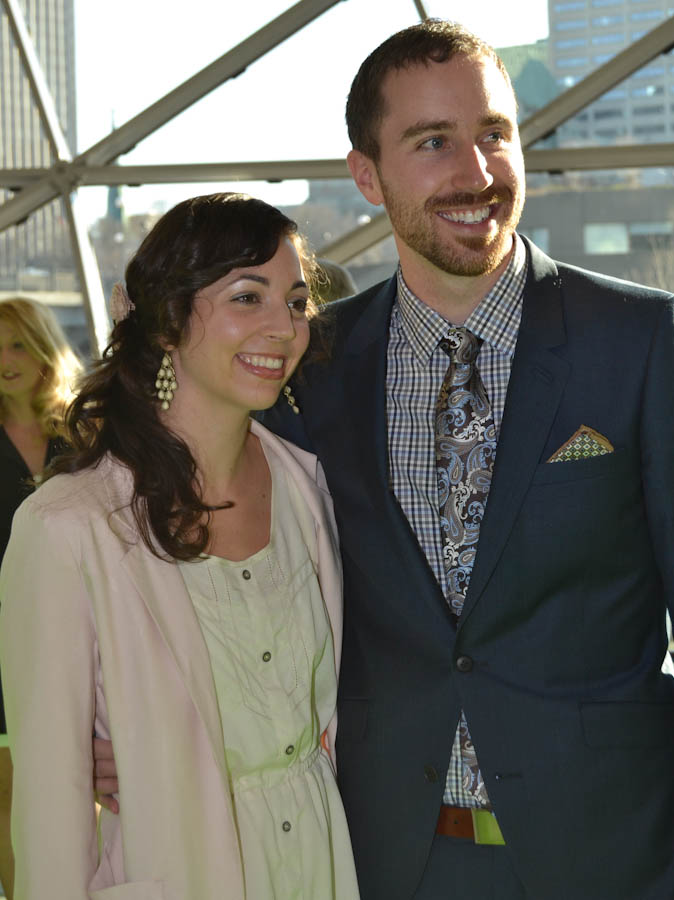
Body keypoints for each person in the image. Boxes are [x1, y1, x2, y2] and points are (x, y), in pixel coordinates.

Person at [257, 19, 674, 900]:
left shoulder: (642, 342)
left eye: (494, 134)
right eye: (433, 142)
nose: (476, 173)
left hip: (609, 851)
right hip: (389, 851)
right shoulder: (311, 371)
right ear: (365, 174)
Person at [0, 193, 360, 899]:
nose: (282, 328)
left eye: (293, 301)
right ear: (166, 321)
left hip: (319, 861)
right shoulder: (67, 527)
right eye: (246, 297)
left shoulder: (305, 486)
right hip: (172, 869)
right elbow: (49, 806)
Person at [0, 297, 81, 900]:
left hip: (71, 631)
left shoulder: (85, 430)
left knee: (75, 782)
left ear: (43, 345)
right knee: (5, 788)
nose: (5, 360)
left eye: (18, 344)